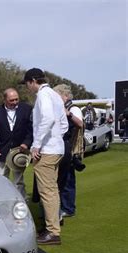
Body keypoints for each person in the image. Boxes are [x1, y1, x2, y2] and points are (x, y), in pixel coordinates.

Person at [21, 68, 68, 245]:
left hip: (47, 150)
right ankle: (52, 228)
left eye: (27, 83)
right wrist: (56, 137)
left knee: (47, 192)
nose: (27, 87)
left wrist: (37, 144)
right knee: (52, 191)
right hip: (56, 148)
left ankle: (53, 232)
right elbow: (63, 124)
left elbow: (48, 119)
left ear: (33, 81)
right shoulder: (54, 94)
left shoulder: (43, 95)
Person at [0, 88, 33, 198]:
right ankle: (4, 200)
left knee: (19, 181)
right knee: (2, 179)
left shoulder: (26, 109)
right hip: (2, 152)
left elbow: (31, 130)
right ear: (5, 100)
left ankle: (22, 202)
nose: (14, 102)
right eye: (11, 100)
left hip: (19, 152)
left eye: (16, 99)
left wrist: (26, 143)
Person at [53, 84, 84, 219]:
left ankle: (68, 208)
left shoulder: (74, 108)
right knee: (61, 180)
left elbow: (80, 124)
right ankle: (60, 206)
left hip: (70, 150)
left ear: (64, 95)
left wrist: (68, 114)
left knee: (68, 181)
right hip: (61, 149)